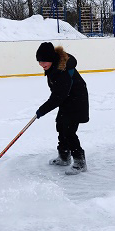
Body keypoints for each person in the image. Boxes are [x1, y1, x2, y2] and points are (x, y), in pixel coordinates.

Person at [35, 42, 89, 175]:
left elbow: (58, 96)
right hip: (67, 100)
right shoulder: (53, 67)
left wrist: (43, 109)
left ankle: (80, 162)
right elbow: (58, 94)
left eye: (43, 61)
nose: (41, 64)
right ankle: (64, 156)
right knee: (60, 125)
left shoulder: (62, 70)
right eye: (39, 61)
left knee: (69, 131)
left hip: (76, 101)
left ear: (51, 58)